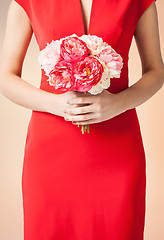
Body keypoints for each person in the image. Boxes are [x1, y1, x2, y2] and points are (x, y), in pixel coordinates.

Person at [0, 0, 163, 239]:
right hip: (51, 151)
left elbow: (156, 71)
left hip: (118, 149)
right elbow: (5, 76)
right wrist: (54, 104)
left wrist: (119, 103)